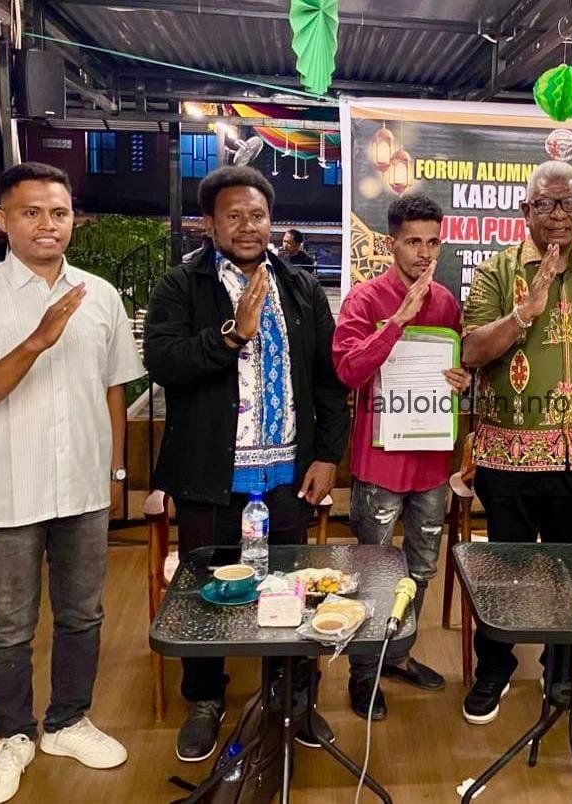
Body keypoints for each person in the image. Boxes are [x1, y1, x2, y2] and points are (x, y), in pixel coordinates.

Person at [0, 162, 143, 804]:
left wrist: (117, 473)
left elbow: (115, 391)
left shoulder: (99, 295)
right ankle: (13, 735)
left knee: (83, 614)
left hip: (82, 486)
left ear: (73, 219)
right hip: (9, 491)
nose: (47, 224)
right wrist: (35, 343)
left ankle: (68, 722)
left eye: (58, 212)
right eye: (31, 212)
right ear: (3, 220)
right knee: (7, 624)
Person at [143, 165, 349, 762]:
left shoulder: (301, 286)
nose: (247, 226)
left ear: (271, 220)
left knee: (291, 592)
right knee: (207, 593)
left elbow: (328, 380)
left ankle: (294, 698)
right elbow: (163, 361)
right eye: (232, 216)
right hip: (209, 478)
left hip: (288, 476)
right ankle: (206, 698)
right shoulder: (182, 286)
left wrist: (327, 456)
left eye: (257, 215)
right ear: (209, 225)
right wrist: (231, 337)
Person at [459, 160, 572, 726]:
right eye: (545, 204)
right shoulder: (495, 272)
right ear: (525, 210)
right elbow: (470, 350)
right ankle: (495, 667)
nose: (559, 215)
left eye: (569, 204)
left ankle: (563, 671)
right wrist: (524, 313)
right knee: (504, 570)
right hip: (506, 459)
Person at [331, 194, 470, 719]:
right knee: (372, 572)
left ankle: (397, 654)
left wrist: (461, 378)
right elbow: (348, 370)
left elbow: (455, 368)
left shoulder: (447, 303)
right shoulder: (365, 299)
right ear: (392, 244)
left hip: (432, 464)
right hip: (380, 466)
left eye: (433, 242)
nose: (424, 253)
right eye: (413, 242)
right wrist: (396, 322)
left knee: (422, 568)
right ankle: (362, 673)